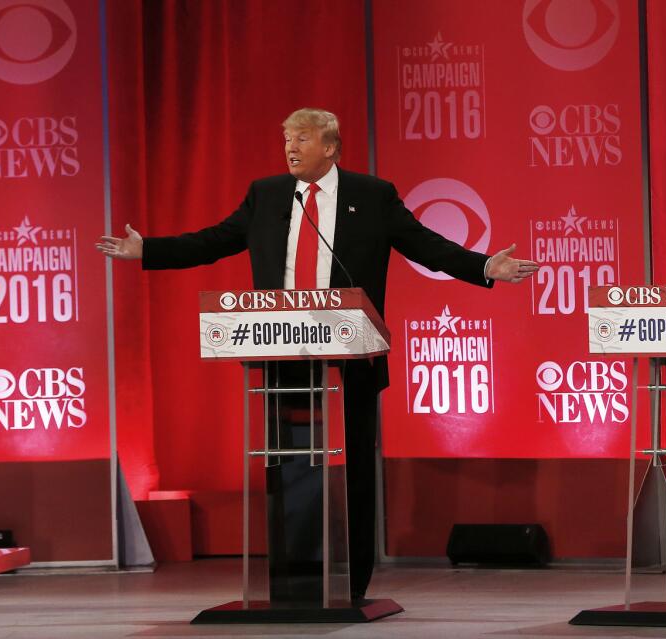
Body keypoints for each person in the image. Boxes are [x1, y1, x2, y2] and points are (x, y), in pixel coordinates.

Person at [98, 108, 537, 601]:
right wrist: (149, 251)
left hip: (353, 358)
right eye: (286, 138)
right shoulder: (266, 195)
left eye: (301, 139)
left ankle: (352, 584)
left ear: (329, 147)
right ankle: (293, 579)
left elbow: (425, 246)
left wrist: (483, 267)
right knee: (289, 463)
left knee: (353, 471)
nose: (290, 147)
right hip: (284, 357)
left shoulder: (373, 196)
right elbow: (216, 241)